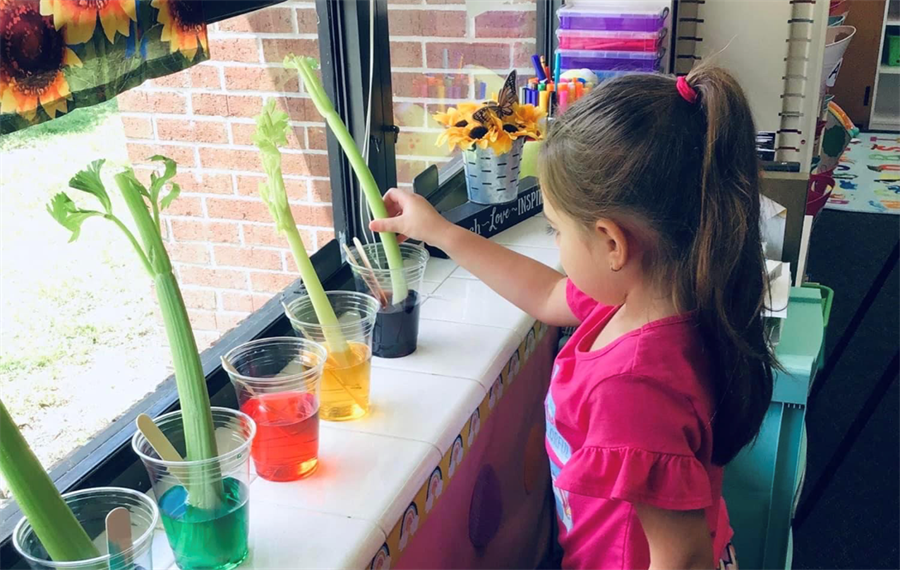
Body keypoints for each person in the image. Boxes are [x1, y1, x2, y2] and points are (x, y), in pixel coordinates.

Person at [369, 66, 775, 570]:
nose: (555, 243)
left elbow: (684, 559)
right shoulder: (648, 298)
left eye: (556, 229)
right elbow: (545, 293)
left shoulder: (633, 387)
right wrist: (440, 232)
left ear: (611, 243)